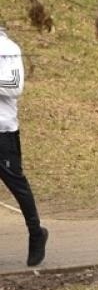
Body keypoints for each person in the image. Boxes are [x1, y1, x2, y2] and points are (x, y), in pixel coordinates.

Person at [0, 24, 46, 266]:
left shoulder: (8, 49)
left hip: (3, 131)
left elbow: (15, 86)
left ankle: (36, 232)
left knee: (17, 185)